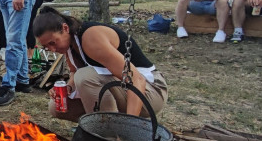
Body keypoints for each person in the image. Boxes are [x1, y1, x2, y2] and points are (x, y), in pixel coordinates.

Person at [33, 7, 168, 122]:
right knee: (56, 106)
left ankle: (109, 134)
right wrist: (68, 87)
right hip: (124, 89)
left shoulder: (90, 37)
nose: (52, 50)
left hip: (151, 92)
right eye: (46, 47)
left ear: (65, 28)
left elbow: (136, 79)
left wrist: (130, 125)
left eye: (53, 43)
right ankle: (100, 126)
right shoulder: (69, 44)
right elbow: (74, 72)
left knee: (85, 77)